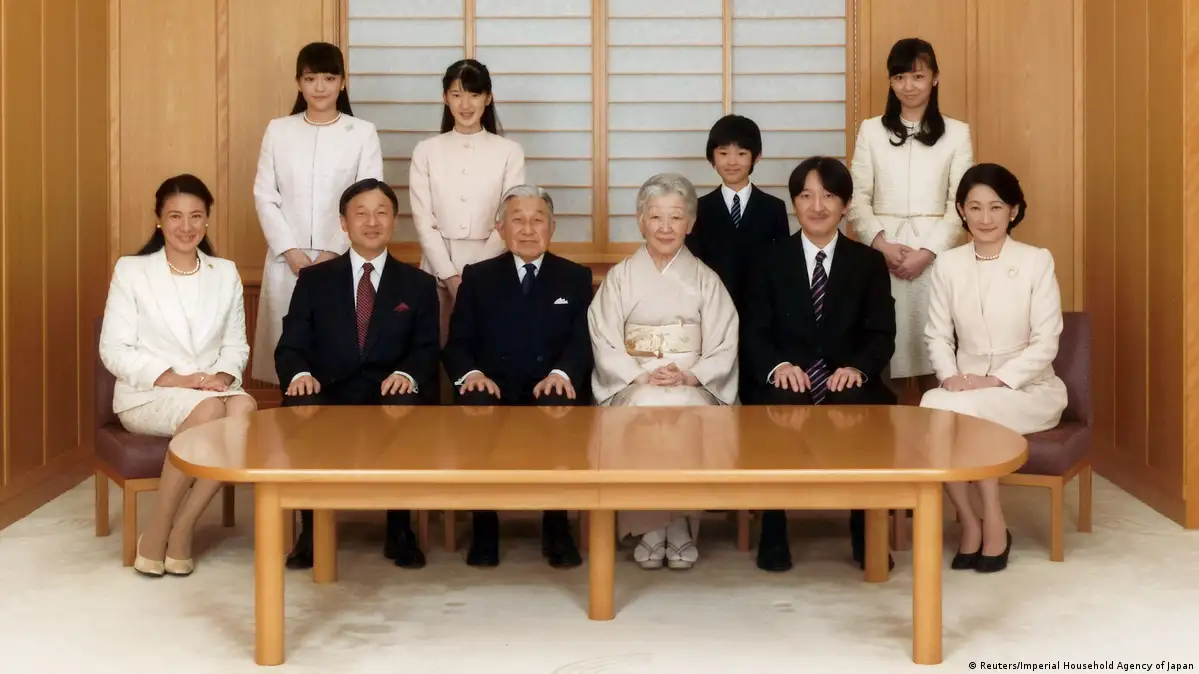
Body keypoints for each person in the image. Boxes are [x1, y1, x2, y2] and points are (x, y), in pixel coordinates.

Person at [274, 178, 440, 571]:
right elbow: (291, 343)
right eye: (361, 213)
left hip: (389, 388)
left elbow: (427, 348)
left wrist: (407, 373)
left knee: (405, 402)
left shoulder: (417, 283)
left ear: (394, 221)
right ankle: (311, 528)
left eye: (382, 213)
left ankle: (399, 528)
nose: (372, 221)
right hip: (329, 386)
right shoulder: (315, 279)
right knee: (303, 402)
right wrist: (300, 374)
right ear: (344, 223)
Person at [742, 157, 897, 573]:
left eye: (828, 196)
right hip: (787, 377)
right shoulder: (768, 259)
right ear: (794, 203)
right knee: (778, 400)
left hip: (847, 377)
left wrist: (857, 368)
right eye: (806, 196)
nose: (817, 206)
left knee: (860, 400)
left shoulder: (868, 263)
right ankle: (773, 529)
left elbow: (882, 334)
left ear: (845, 205)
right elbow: (753, 331)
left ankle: (866, 529)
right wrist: (778, 366)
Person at [99, 174, 257, 577]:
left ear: (207, 219)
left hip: (210, 391)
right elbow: (114, 349)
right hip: (149, 393)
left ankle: (183, 526)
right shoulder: (132, 271)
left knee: (245, 408)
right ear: (159, 219)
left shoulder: (225, 272)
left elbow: (236, 345)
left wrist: (223, 376)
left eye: (195, 216)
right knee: (211, 412)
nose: (186, 227)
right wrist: (177, 379)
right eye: (175, 216)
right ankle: (158, 529)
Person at [588, 173, 739, 570]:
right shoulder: (620, 278)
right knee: (644, 404)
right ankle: (656, 527)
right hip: (634, 382)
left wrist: (691, 376)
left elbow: (724, 341)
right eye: (656, 217)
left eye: (676, 217)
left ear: (691, 222)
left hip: (691, 382)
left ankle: (677, 525)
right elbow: (604, 337)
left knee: (687, 408)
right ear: (641, 221)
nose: (666, 227)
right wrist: (637, 375)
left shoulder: (705, 279)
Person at [921, 163, 1066, 573]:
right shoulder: (948, 264)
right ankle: (973, 522)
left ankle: (993, 520)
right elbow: (937, 335)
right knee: (932, 405)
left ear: (1013, 211)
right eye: (975, 207)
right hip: (964, 388)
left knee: (964, 415)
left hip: (1027, 391)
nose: (985, 218)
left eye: (996, 207)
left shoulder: (1036, 261)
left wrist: (995, 380)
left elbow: (1046, 341)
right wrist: (950, 377)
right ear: (961, 211)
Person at [442, 185, 594, 568]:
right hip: (494, 384)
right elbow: (458, 343)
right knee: (476, 401)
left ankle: (557, 526)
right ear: (500, 228)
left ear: (552, 228)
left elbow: (582, 341)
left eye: (537, 220)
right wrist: (473, 374)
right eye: (518, 220)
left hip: (549, 385)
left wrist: (561, 373)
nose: (528, 229)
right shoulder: (478, 277)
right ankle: (484, 526)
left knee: (560, 401)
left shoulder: (574, 277)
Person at [252, 42, 384, 385]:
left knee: (336, 352)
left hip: (342, 257)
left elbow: (367, 199)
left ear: (342, 82)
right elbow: (265, 195)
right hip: (287, 260)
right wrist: (291, 252)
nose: (320, 87)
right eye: (311, 79)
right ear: (299, 83)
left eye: (329, 78)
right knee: (288, 358)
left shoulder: (362, 132)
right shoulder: (278, 130)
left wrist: (331, 252)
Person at [847, 38, 973, 398]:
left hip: (936, 254)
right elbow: (856, 197)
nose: (909, 86)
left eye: (918, 76)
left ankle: (939, 427)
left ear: (935, 78)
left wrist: (927, 252)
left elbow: (960, 203)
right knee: (885, 353)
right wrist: (882, 245)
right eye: (900, 77)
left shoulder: (957, 133)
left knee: (938, 353)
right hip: (882, 254)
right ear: (891, 82)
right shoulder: (872, 130)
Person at [410, 59, 526, 341]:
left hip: (493, 264)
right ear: (445, 98)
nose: (465, 104)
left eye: (474, 95)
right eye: (456, 94)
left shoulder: (509, 151)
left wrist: (475, 276)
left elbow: (509, 217)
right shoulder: (426, 151)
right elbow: (423, 220)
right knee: (435, 344)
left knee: (488, 346)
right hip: (437, 265)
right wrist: (450, 276)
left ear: (488, 98)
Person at [686, 114, 790, 403]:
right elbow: (693, 267)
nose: (732, 162)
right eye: (723, 153)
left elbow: (783, 267)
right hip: (712, 317)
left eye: (741, 153)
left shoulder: (773, 208)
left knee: (759, 394)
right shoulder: (699, 209)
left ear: (757, 157)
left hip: (762, 316)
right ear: (711, 158)